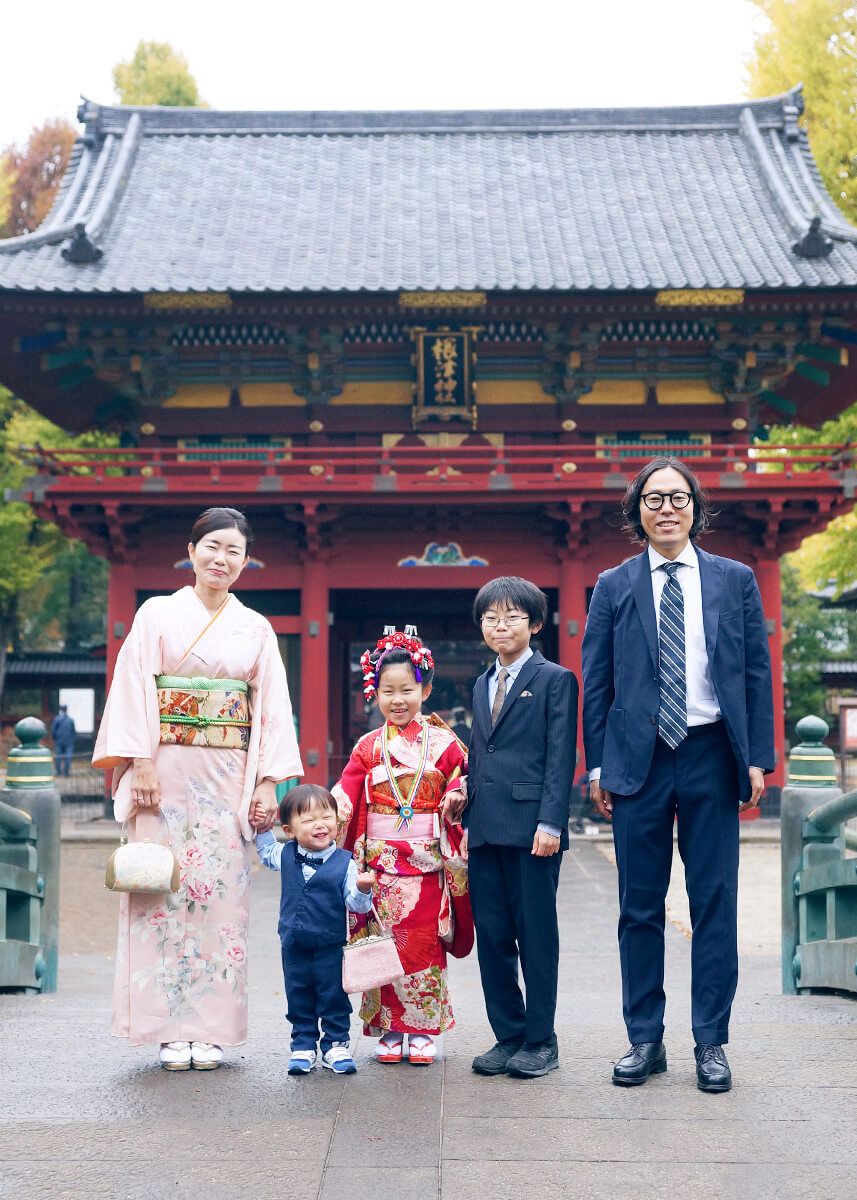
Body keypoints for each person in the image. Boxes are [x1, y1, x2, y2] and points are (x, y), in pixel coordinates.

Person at [582, 457, 774, 1093]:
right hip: (638, 758)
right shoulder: (613, 584)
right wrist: (599, 762)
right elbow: (599, 680)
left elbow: (753, 671)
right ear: (637, 510)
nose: (667, 508)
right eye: (654, 498)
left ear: (697, 507)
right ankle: (645, 1039)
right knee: (639, 906)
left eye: (679, 497)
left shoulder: (733, 580)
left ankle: (711, 1042)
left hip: (710, 751)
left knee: (714, 902)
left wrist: (756, 756)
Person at [93, 507, 303, 1071]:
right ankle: (166, 1029)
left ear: (244, 561)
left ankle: (209, 1029)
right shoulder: (157, 614)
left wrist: (266, 783)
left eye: (234, 551)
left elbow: (274, 710)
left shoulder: (255, 627)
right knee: (158, 893)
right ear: (191, 552)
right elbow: (134, 685)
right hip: (162, 771)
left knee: (220, 902)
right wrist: (139, 762)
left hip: (226, 777)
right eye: (212, 546)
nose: (222, 559)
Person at [333, 626, 472, 1066]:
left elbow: (466, 778)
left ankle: (424, 1027)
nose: (398, 700)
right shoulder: (367, 747)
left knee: (423, 944)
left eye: (408, 690)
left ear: (425, 689)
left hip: (428, 861)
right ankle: (388, 1026)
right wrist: (323, 818)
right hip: (380, 864)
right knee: (382, 941)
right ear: (375, 694)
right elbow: (346, 796)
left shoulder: (446, 744)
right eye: (388, 691)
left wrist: (459, 793)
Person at [464, 577, 578, 1079]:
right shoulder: (480, 682)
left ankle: (540, 1039)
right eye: (491, 617)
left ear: (534, 624)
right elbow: (479, 754)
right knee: (492, 936)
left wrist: (552, 820)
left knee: (535, 937)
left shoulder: (556, 679)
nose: (500, 625)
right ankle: (507, 1034)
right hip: (485, 827)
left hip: (534, 828)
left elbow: (560, 756)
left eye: (512, 616)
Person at [254, 783, 374, 1075]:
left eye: (326, 817)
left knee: (333, 994)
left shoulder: (345, 863)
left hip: (330, 945)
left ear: (336, 820)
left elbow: (356, 905)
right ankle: (303, 1045)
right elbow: (267, 850)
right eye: (308, 820)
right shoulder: (285, 854)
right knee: (298, 994)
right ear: (290, 830)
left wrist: (362, 890)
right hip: (293, 944)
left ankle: (336, 1045)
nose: (319, 825)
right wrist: (260, 826)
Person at [51, 705, 76, 776]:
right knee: (68, 756)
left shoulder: (56, 719)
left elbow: (53, 731)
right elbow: (74, 732)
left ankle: (58, 772)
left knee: (58, 756)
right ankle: (66, 772)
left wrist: (55, 739)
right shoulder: (71, 720)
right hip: (69, 741)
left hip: (59, 741)